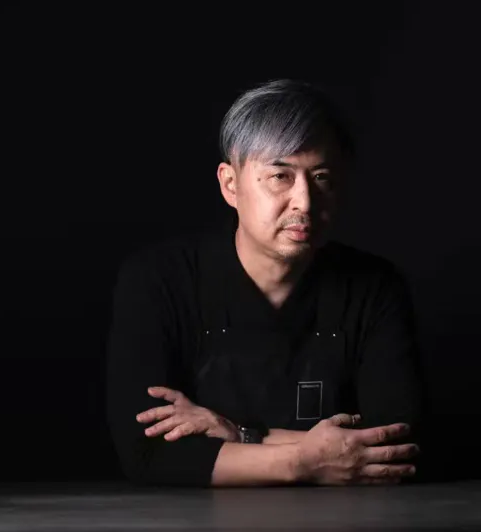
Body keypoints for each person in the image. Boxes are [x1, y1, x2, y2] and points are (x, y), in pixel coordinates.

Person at [104, 79, 424, 487]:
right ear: (230, 184)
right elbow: (146, 452)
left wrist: (241, 435)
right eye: (280, 176)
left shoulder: (375, 288)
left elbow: (393, 445)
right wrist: (303, 462)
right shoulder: (159, 280)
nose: (305, 201)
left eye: (321, 177)